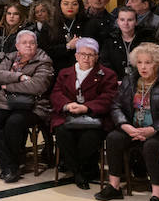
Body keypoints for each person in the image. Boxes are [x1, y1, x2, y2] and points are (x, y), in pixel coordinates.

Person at [96, 43, 159, 201]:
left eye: (148, 62)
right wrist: (125, 125)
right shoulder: (130, 79)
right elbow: (116, 105)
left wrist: (154, 129)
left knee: (152, 146)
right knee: (114, 137)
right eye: (140, 63)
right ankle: (114, 186)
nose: (143, 67)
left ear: (158, 63)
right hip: (133, 128)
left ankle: (157, 196)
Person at [49, 37, 119, 190]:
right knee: (62, 132)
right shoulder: (65, 73)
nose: (86, 58)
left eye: (91, 55)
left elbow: (109, 98)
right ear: (76, 56)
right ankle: (79, 171)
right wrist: (67, 105)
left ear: (97, 57)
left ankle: (78, 170)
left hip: (94, 116)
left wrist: (87, 107)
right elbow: (56, 93)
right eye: (83, 54)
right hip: (67, 115)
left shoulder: (107, 74)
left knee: (90, 136)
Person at [0, 29, 54, 183]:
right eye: (24, 43)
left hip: (34, 105)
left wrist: (8, 87)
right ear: (17, 45)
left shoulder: (44, 61)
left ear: (37, 45)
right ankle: (8, 164)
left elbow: (37, 86)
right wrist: (19, 77)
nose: (28, 46)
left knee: (13, 123)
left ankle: (12, 166)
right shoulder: (11, 57)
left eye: (32, 43)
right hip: (6, 102)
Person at [99, 6, 152, 77]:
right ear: (117, 22)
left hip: (142, 81)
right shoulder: (109, 39)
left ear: (136, 22)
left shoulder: (146, 39)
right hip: (115, 82)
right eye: (122, 20)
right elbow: (104, 64)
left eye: (130, 20)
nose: (126, 23)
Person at [51, 0, 87, 69]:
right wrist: (68, 46)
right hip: (57, 67)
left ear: (79, 6)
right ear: (59, 6)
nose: (70, 7)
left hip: (82, 67)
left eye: (74, 4)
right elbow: (47, 50)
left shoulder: (87, 23)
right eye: (66, 4)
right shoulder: (50, 25)